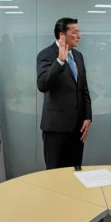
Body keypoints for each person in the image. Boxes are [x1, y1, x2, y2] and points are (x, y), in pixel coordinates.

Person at [37, 17, 92, 169]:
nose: (79, 36)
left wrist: (87, 116)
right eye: (75, 32)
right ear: (62, 35)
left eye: (78, 32)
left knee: (75, 170)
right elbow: (42, 84)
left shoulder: (78, 56)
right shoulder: (46, 55)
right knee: (55, 174)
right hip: (56, 129)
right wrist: (60, 61)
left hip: (78, 128)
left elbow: (83, 88)